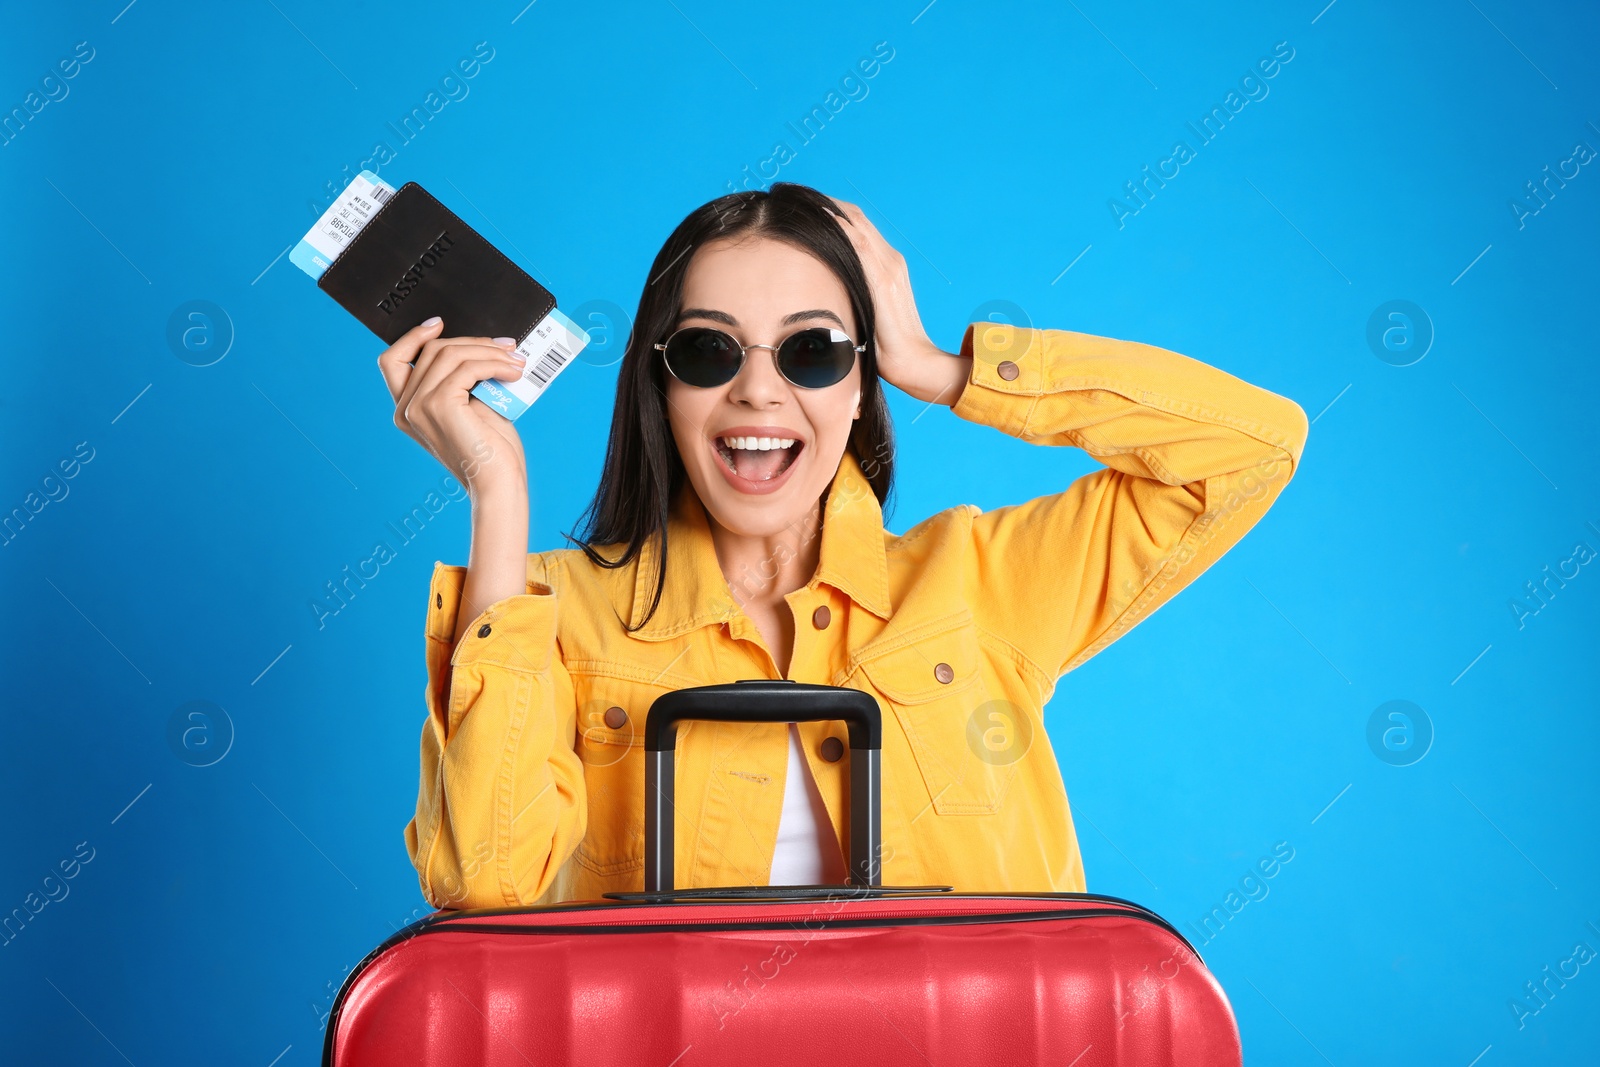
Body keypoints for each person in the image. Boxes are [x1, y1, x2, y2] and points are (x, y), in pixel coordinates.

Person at [378, 183, 1308, 910]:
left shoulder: (980, 587)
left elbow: (1251, 450)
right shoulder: (558, 611)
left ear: (862, 384)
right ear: (661, 387)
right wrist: (494, 493)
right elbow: (483, 882)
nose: (758, 393)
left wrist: (947, 369)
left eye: (813, 351)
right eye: (709, 351)